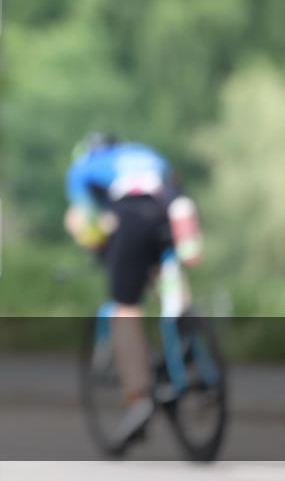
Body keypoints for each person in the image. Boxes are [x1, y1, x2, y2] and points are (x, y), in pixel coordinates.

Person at [64, 132, 199, 443]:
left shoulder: (84, 166)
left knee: (125, 306)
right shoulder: (146, 152)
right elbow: (175, 187)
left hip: (133, 214)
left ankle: (137, 397)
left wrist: (101, 250)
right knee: (167, 277)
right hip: (173, 211)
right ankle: (186, 334)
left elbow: (84, 217)